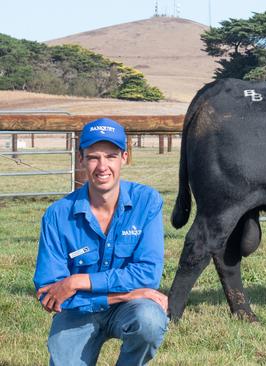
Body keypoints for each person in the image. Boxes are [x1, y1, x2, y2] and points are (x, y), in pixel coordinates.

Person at [33, 118, 168, 366]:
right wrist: (123, 295)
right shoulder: (57, 215)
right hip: (78, 313)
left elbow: (148, 273)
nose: (102, 166)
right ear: (81, 158)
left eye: (111, 156)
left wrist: (77, 281)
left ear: (124, 157)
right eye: (94, 157)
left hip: (128, 307)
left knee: (150, 319)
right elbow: (49, 293)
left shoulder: (147, 201)